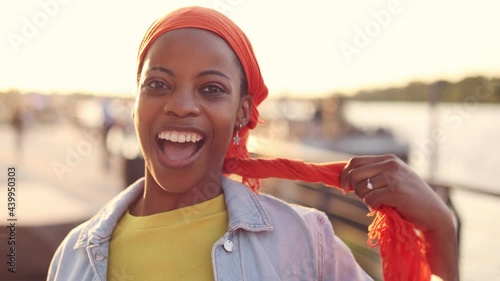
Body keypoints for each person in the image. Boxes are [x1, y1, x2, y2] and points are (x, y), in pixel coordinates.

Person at [47, 6, 458, 281]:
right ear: (135, 102)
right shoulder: (75, 257)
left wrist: (440, 228)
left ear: (243, 112)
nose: (181, 105)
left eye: (211, 89)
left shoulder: (304, 243)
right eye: (158, 84)